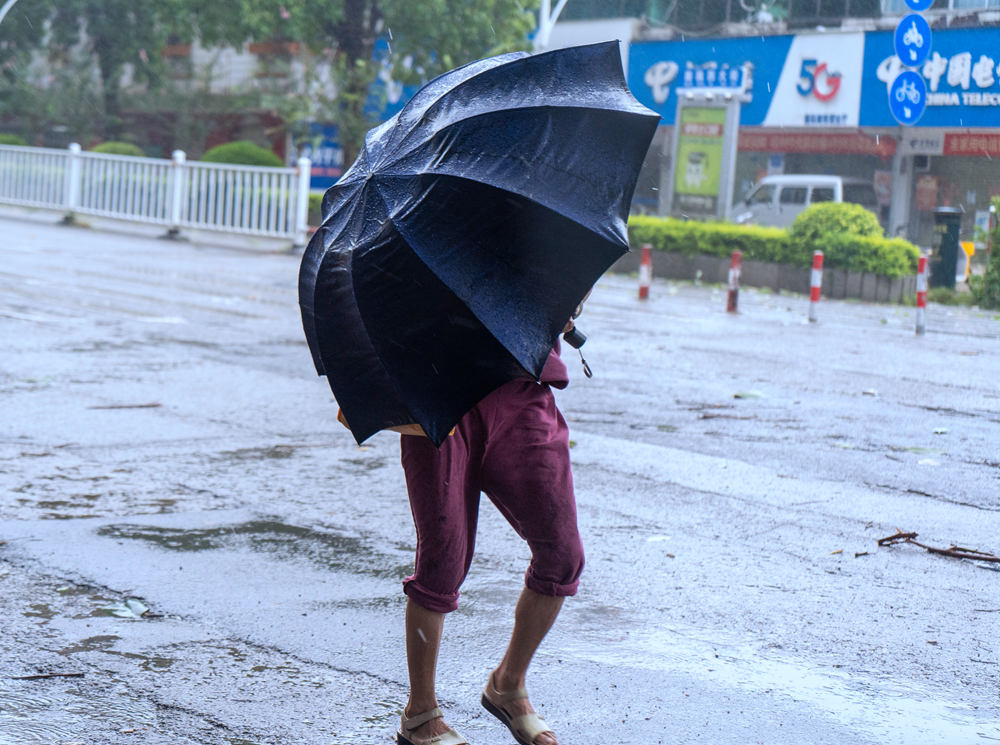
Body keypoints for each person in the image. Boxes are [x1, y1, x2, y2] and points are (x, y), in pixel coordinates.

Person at [394, 309, 587, 745]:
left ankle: (508, 685)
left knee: (562, 555)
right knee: (443, 561)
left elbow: (569, 276)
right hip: (440, 394)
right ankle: (420, 713)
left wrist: (568, 302)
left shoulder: (538, 238)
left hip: (524, 391)